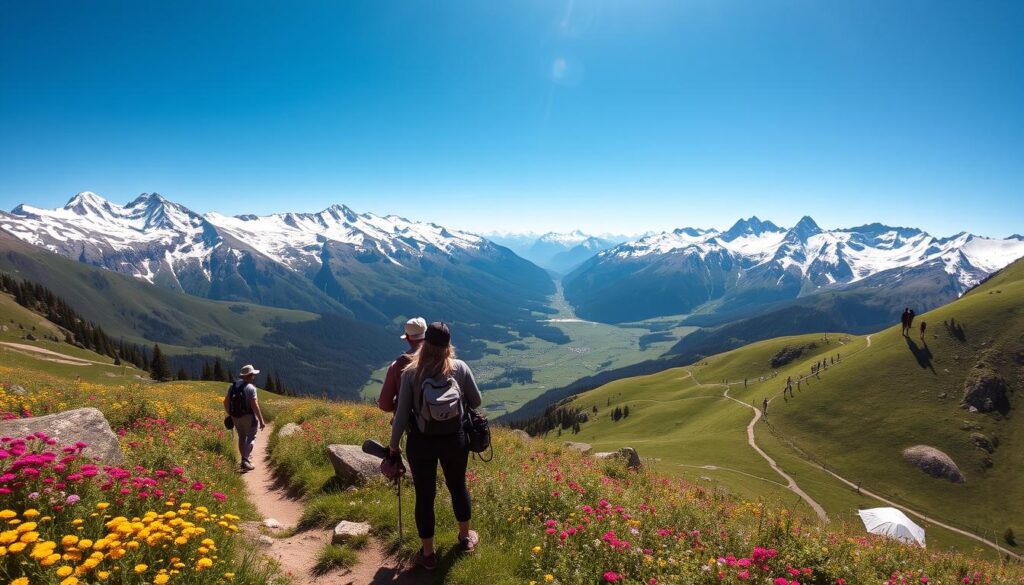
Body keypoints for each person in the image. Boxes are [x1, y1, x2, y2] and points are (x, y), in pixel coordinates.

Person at [389, 322, 483, 569]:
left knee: (424, 495)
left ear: (425, 344)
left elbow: (400, 414)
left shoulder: (411, 372)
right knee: (457, 486)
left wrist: (393, 447)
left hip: (421, 442)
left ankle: (428, 554)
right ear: (448, 346)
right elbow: (477, 400)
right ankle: (465, 539)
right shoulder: (459, 368)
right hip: (455, 439)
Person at [378, 317, 427, 412]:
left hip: (411, 423)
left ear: (408, 339)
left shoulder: (398, 365)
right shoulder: (442, 359)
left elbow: (384, 405)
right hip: (443, 420)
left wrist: (399, 407)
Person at [224, 364, 266, 472]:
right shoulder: (251, 388)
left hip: (235, 416)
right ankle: (245, 459)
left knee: (241, 437)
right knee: (251, 437)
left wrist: (231, 414)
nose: (254, 377)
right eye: (253, 375)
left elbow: (225, 402)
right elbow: (254, 405)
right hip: (248, 416)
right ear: (250, 375)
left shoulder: (232, 386)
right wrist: (261, 420)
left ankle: (244, 459)